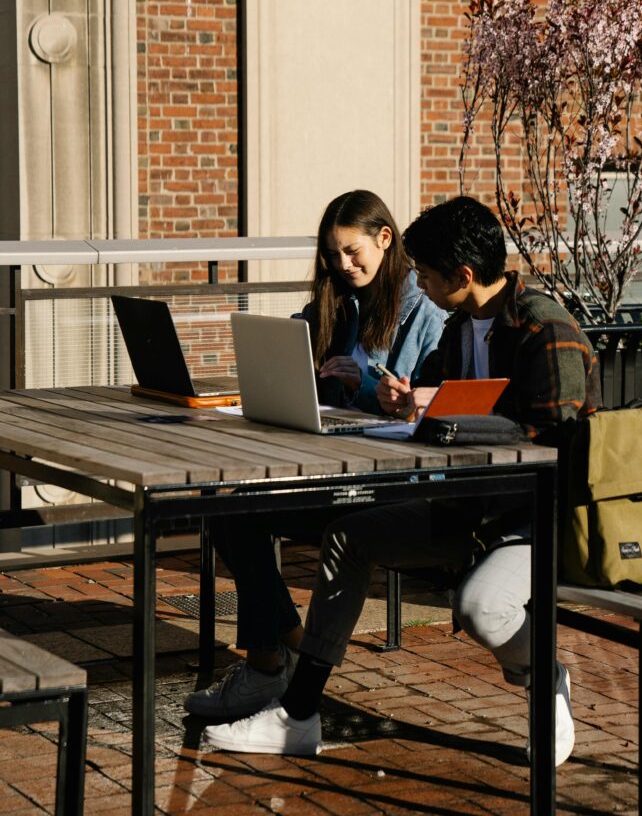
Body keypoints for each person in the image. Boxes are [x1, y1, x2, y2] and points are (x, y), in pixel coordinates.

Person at [201, 196, 602, 762]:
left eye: (428, 274)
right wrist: (402, 402)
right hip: (466, 507)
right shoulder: (461, 329)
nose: (420, 282)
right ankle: (299, 715)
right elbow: (429, 405)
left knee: (480, 606)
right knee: (348, 534)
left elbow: (556, 439)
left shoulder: (545, 329)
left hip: (537, 518)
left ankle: (544, 673)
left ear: (462, 276)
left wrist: (454, 415)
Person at [184, 189, 446, 719]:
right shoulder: (337, 300)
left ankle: (267, 664)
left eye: (353, 252)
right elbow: (294, 357)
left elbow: (428, 407)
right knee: (229, 510)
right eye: (333, 255)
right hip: (333, 460)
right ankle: (283, 639)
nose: (343, 265)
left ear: (385, 239)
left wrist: (369, 390)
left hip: (389, 480)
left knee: (240, 514)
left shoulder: (424, 307)